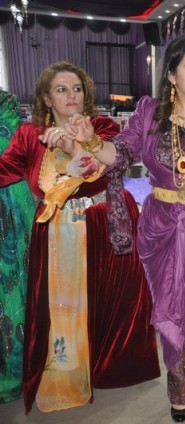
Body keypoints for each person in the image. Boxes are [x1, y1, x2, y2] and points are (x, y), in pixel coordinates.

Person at [76, 35, 185, 423]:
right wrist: (90, 141)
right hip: (165, 228)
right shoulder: (150, 113)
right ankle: (181, 390)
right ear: (171, 75)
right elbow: (119, 153)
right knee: (175, 309)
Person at [0, 62, 160, 413]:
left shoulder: (100, 127)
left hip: (102, 223)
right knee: (62, 309)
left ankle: (107, 367)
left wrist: (76, 144)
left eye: (77, 89)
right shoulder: (29, 136)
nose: (71, 95)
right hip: (56, 231)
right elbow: (5, 169)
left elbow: (101, 169)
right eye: (61, 90)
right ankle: (68, 372)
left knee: (106, 303)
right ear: (46, 98)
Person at [0, 90, 36, 404]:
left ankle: (15, 367)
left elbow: (12, 154)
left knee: (12, 285)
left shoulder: (5, 103)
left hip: (9, 207)